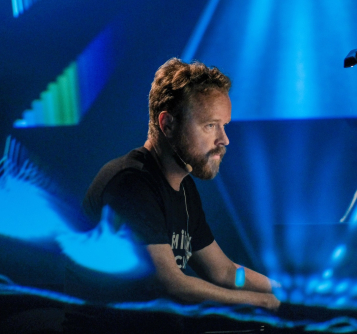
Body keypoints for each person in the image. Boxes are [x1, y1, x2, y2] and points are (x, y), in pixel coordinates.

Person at [65, 58, 279, 332]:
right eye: (211, 125)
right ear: (167, 124)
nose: (224, 139)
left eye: (224, 125)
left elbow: (223, 272)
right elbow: (170, 283)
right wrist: (259, 302)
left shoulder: (185, 187)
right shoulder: (130, 183)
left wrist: (283, 291)